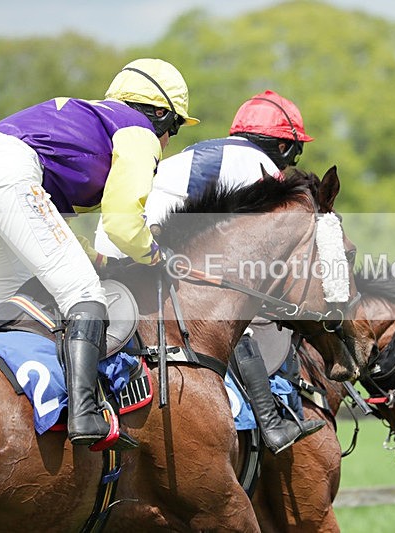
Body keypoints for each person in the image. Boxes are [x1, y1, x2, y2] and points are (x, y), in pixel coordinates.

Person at [0, 58, 199, 451]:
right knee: (85, 297)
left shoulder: (86, 127)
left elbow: (49, 230)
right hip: (6, 173)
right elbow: (124, 223)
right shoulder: (138, 130)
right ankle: (85, 413)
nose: (167, 142)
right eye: (174, 129)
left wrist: (98, 260)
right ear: (161, 114)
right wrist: (155, 255)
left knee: (23, 307)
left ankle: (12, 413)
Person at [94, 90, 324, 454]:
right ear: (282, 147)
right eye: (295, 152)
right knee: (239, 314)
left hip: (112, 250)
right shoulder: (262, 173)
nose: (292, 162)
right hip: (151, 249)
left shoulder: (198, 151)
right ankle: (271, 423)